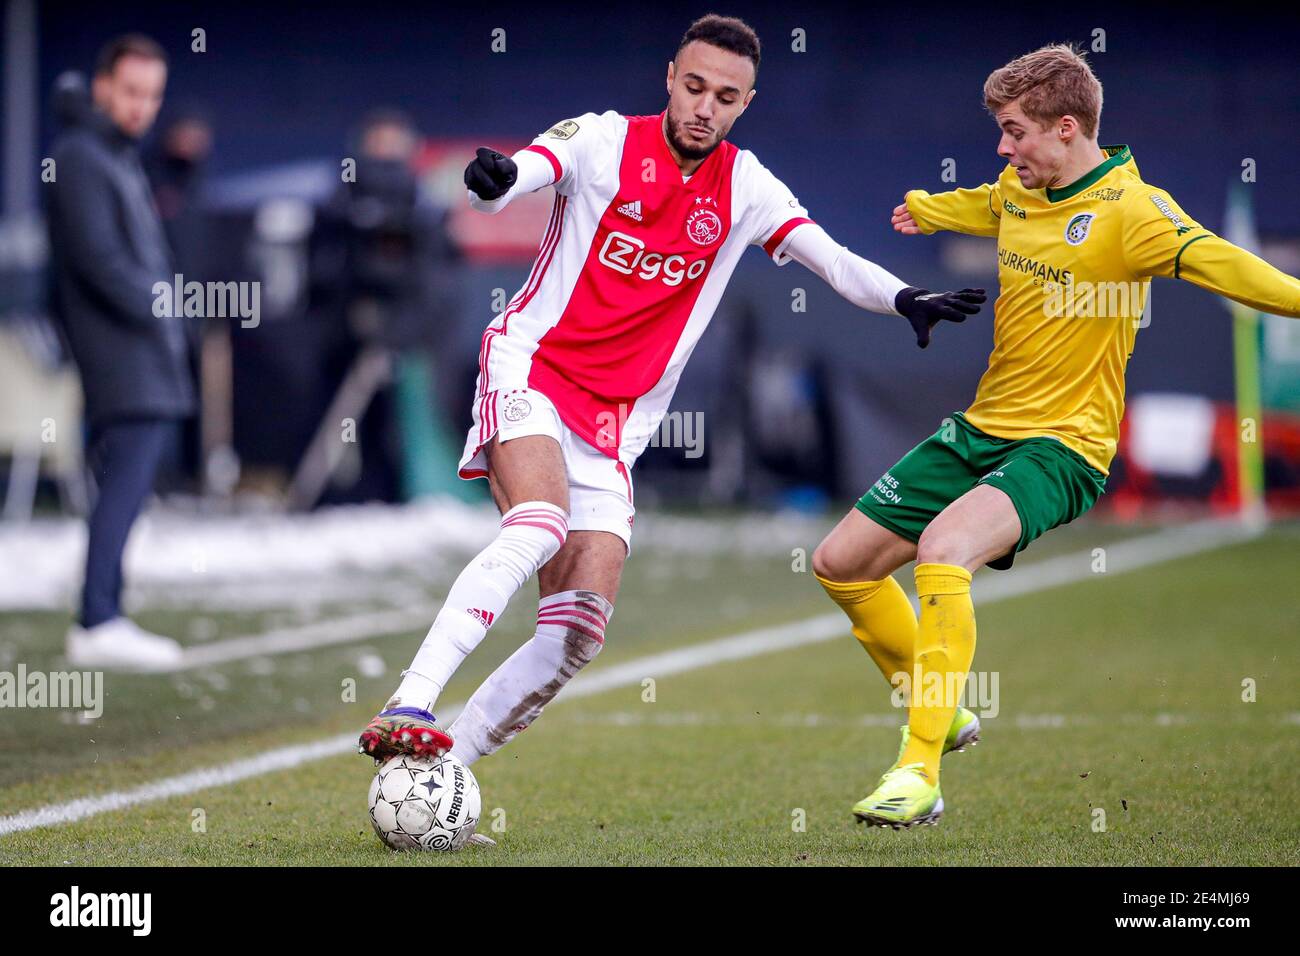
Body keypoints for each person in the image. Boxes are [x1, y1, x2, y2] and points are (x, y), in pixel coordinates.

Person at [358, 15, 984, 768]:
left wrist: (904, 298)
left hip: (613, 429)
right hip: (532, 372)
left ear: (744, 104)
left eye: (724, 96)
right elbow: (523, 172)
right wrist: (497, 183)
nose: (704, 107)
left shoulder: (745, 186)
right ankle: (410, 699)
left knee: (577, 633)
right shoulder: (602, 140)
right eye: (693, 87)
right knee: (539, 522)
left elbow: (832, 257)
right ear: (669, 78)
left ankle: (436, 774)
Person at [812, 43, 1300, 828]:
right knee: (840, 565)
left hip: (1064, 446)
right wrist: (928, 208)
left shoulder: (1132, 213)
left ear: (1066, 128)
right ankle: (943, 706)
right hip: (980, 429)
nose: (1003, 149)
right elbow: (985, 201)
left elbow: (1229, 266)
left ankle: (918, 768)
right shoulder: (1018, 188)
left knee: (943, 552)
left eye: (1013, 132)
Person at [48, 34, 190, 670]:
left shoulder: (113, 153)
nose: (142, 106)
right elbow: (100, 262)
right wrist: (165, 307)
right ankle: (98, 617)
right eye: (131, 91)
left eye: (152, 95)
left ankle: (104, 611)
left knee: (127, 487)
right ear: (103, 85)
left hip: (139, 351)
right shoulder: (80, 154)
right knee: (121, 487)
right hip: (118, 352)